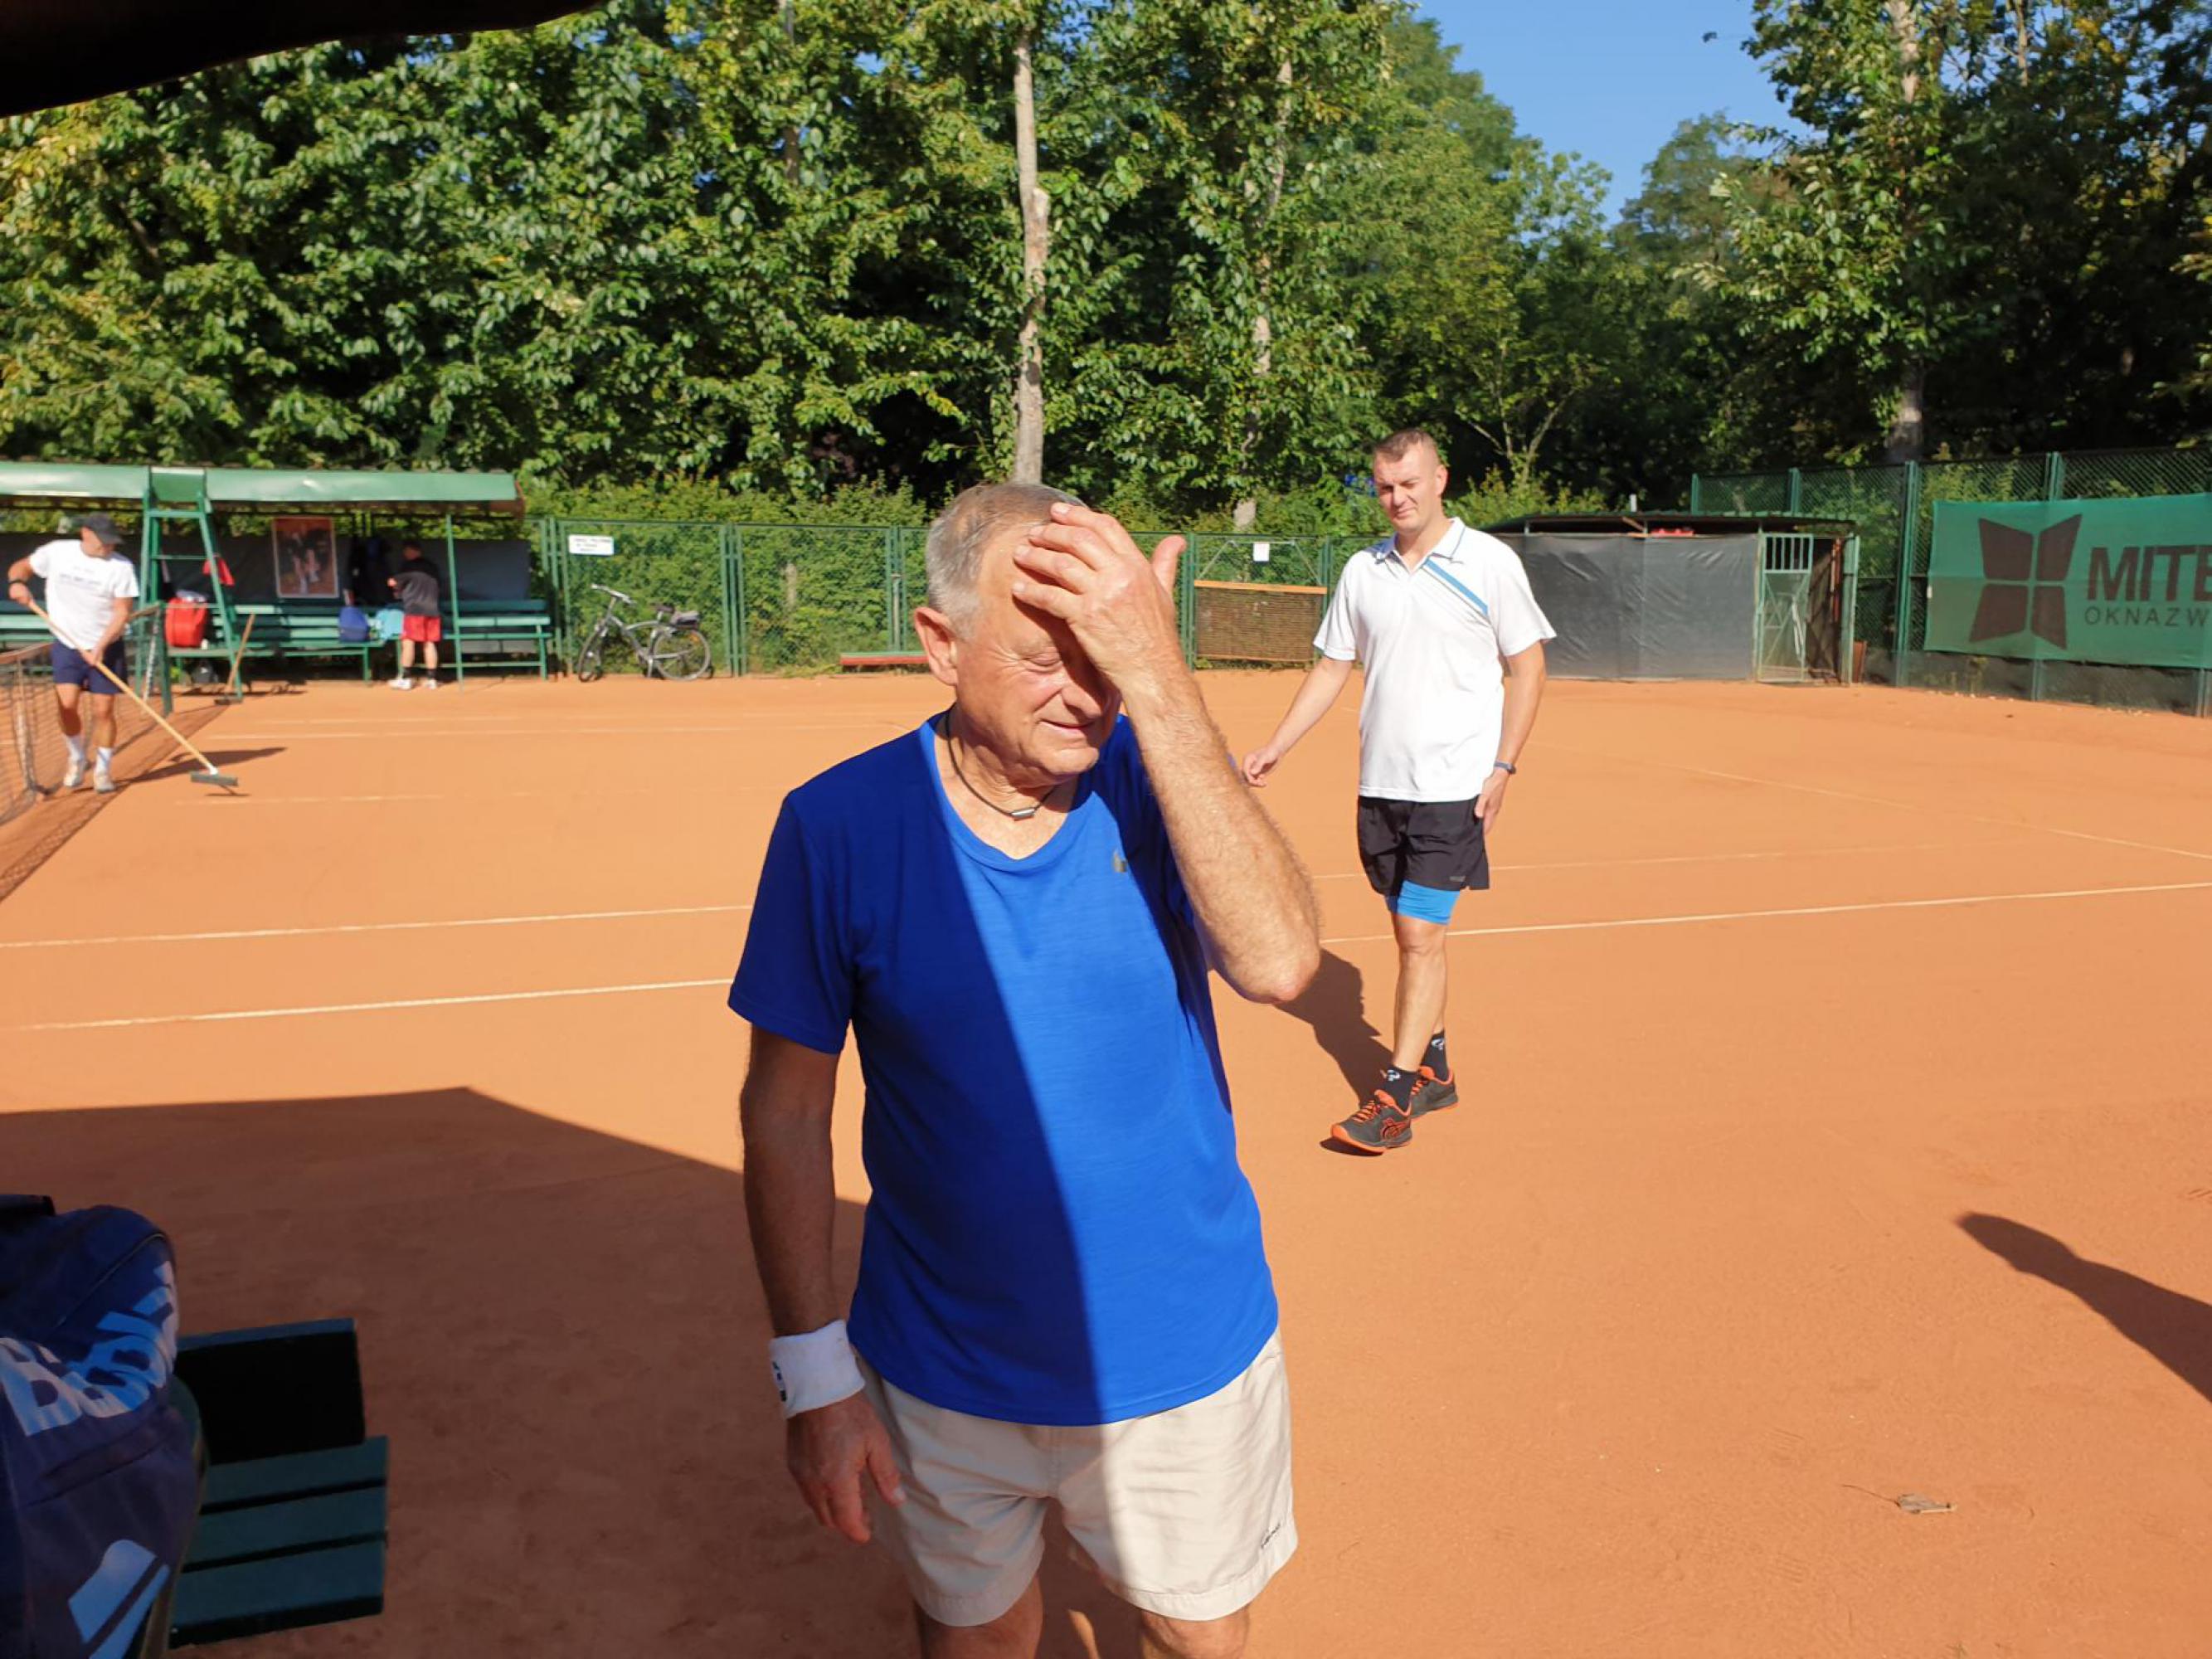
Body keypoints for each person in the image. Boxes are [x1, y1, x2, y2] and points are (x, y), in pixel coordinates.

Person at [730, 484, 1320, 1659]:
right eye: (1045, 659)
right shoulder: (835, 826)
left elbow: (1279, 962)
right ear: (941, 644)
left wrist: (1160, 678)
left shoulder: (1157, 776)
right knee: (980, 1637)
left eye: (1106, 654)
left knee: (1195, 1633)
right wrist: (815, 1377)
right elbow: (785, 1114)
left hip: (1179, 1349)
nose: (1086, 694)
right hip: (940, 1364)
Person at [1242, 429, 1553, 1154]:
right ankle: (1435, 1068)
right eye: (1385, 487)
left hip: (1454, 788)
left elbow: (1529, 668)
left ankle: (1395, 1096)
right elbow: (1332, 667)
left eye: (1409, 483)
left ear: (1439, 479)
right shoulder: (1364, 570)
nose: (1397, 498)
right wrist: (1278, 745)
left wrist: (1502, 767)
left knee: (1420, 937)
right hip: (1381, 787)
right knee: (1406, 934)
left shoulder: (1488, 563)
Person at [6, 513, 140, 795]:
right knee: (66, 705)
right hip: (67, 643)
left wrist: (100, 647)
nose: (109, 547)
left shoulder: (121, 568)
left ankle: (103, 770)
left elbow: (122, 612)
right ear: (86, 533)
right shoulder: (57, 552)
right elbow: (22, 567)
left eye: (112, 542)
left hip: (107, 643)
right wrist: (17, 583)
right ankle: (77, 756)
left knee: (104, 710)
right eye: (104, 541)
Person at [386, 539, 444, 689]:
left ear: (412, 551)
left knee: (408, 642)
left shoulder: (408, 567)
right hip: (433, 610)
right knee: (429, 643)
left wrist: (392, 583)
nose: (405, 554)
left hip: (414, 611)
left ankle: (405, 678)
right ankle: (432, 679)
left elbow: (393, 582)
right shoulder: (432, 567)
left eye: (406, 551)